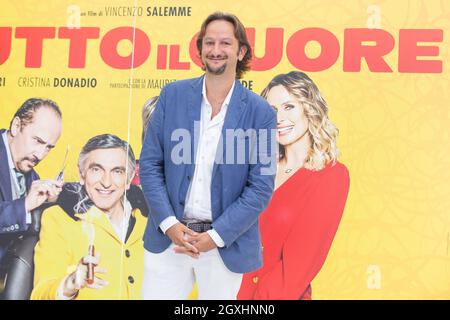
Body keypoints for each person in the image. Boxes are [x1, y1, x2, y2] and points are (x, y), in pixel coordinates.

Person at [140, 12, 277, 299]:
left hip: (225, 246)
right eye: (209, 42)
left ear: (241, 52)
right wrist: (169, 224)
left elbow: (261, 187)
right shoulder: (172, 96)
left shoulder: (261, 113)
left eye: (225, 43)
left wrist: (214, 237)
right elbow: (151, 165)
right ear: (201, 49)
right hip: (168, 241)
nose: (216, 50)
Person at [237, 71, 350, 300]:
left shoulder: (331, 176)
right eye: (272, 110)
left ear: (310, 109)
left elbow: (296, 270)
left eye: (289, 107)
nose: (279, 118)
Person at [31, 134, 147, 300]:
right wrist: (70, 284)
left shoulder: (148, 220)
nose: (106, 182)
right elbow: (40, 295)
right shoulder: (58, 219)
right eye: (96, 169)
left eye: (117, 171)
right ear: (82, 174)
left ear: (128, 179)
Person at [0, 98, 63, 264]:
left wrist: (47, 204)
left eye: (49, 147)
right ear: (16, 126)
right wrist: (25, 205)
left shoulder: (31, 175)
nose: (41, 154)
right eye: (38, 141)